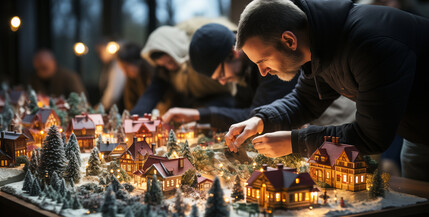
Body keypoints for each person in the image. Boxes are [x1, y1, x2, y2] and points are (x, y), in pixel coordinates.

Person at [224, 0, 429, 181]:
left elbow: (370, 136)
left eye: (263, 60)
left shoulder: (370, 45)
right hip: (417, 135)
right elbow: (305, 101)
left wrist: (295, 142)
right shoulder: (320, 43)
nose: (263, 71)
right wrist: (261, 120)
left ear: (289, 41)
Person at [163, 23, 356, 131]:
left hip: (336, 121)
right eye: (217, 79)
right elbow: (241, 111)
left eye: (221, 73)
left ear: (234, 53)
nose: (222, 81)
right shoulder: (241, 70)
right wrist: (204, 122)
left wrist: (199, 114)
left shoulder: (269, 63)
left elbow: (257, 115)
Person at [130, 20, 236, 116]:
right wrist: (135, 116)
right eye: (164, 65)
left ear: (176, 51)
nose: (170, 67)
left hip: (223, 101)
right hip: (196, 103)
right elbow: (152, 93)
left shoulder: (201, 53)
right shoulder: (165, 71)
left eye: (170, 61)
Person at [117, 42, 153, 111]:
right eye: (123, 69)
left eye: (126, 68)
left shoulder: (152, 75)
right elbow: (130, 103)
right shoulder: (131, 78)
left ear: (136, 62)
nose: (125, 73)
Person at [96, 39, 126, 110]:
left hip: (118, 108)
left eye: (100, 52)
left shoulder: (117, 64)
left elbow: (113, 92)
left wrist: (101, 107)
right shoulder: (109, 65)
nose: (100, 56)